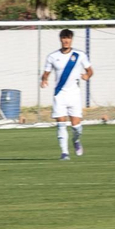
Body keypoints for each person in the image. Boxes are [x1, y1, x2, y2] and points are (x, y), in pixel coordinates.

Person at [39, 28, 94, 160]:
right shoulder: (52, 57)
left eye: (68, 38)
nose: (66, 40)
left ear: (71, 39)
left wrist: (87, 76)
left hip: (74, 95)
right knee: (61, 123)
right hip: (60, 95)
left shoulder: (79, 55)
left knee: (76, 127)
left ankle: (76, 140)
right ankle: (64, 153)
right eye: (64, 38)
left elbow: (90, 70)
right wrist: (44, 80)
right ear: (60, 39)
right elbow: (46, 73)